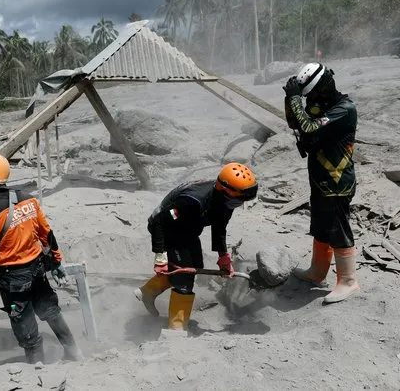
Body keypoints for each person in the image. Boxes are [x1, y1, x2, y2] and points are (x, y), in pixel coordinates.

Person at [0, 152, 81, 364]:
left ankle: (36, 363)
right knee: (50, 310)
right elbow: (47, 235)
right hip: (37, 268)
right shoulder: (29, 199)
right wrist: (56, 262)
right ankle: (73, 352)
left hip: (13, 278)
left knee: (22, 319)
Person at [134, 163, 258, 331]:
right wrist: (160, 255)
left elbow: (219, 225)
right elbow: (159, 222)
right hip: (167, 230)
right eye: (237, 201)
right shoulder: (192, 201)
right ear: (224, 193)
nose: (238, 205)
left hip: (188, 231)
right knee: (184, 279)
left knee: (194, 268)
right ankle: (176, 329)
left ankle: (147, 293)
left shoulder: (226, 202)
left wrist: (223, 256)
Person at [283, 63, 360, 303]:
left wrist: (296, 99)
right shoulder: (322, 105)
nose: (311, 100)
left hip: (337, 182)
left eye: (312, 94)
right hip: (320, 180)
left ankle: (348, 281)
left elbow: (308, 126)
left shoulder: (344, 109)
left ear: (324, 87)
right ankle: (317, 272)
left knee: (338, 228)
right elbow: (295, 123)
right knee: (320, 226)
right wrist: (290, 99)